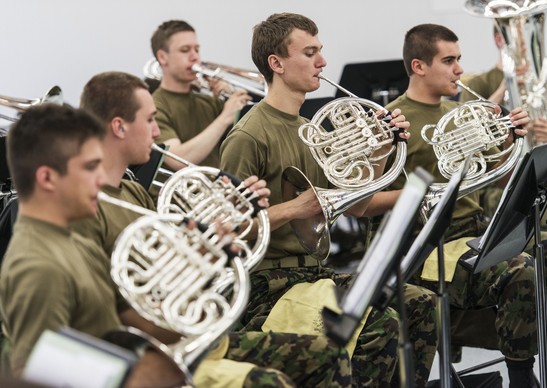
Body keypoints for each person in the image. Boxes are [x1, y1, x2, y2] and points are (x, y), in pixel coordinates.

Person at [72, 71, 352, 387]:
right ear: (119, 127)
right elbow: (116, 305)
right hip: (147, 354)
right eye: (150, 120)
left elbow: (169, 262)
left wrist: (218, 233)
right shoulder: (86, 208)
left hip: (187, 336)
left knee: (328, 354)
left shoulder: (132, 191)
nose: (156, 132)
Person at [220, 12, 438, 387]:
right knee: (380, 322)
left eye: (320, 51)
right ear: (277, 63)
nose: (322, 62)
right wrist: (295, 208)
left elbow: (358, 205)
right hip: (268, 287)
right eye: (309, 53)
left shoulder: (309, 130)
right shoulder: (248, 136)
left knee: (419, 303)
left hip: (314, 275)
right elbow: (230, 230)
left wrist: (381, 152)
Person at [384, 23, 547, 387]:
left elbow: (500, 178)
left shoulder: (460, 111)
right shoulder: (395, 121)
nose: (459, 69)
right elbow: (368, 206)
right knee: (518, 269)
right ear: (419, 66)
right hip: (430, 247)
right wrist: (429, 194)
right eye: (449, 60)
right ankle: (522, 378)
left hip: (480, 232)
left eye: (459, 59)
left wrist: (508, 141)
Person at [0, 103, 184, 386]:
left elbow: (134, 321)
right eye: (90, 167)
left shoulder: (74, 241)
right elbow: (37, 380)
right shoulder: (39, 266)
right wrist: (139, 377)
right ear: (47, 178)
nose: (102, 179)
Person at [459, 26, 547, 326]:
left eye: (526, 34)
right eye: (517, 34)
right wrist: (508, 87)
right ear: (499, 38)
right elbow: (466, 128)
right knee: (533, 197)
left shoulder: (542, 83)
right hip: (498, 178)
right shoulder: (479, 81)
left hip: (536, 164)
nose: (525, 41)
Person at [150, 19, 253, 172]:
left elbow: (248, 142)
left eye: (196, 50)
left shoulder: (208, 101)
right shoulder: (154, 106)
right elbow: (178, 159)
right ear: (163, 57)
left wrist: (229, 96)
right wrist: (225, 116)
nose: (195, 57)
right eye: (185, 50)